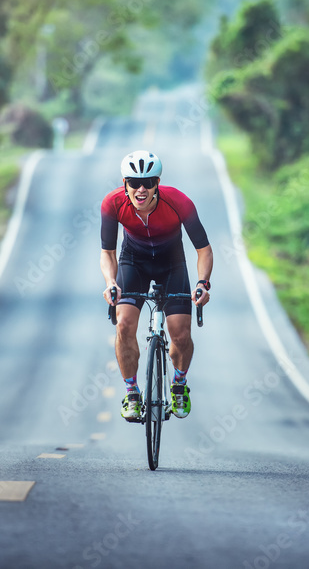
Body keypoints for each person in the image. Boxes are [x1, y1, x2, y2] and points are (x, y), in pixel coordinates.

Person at [100, 150, 212, 422]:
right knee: (124, 324)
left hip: (171, 263)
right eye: (134, 182)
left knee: (181, 334)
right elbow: (108, 253)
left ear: (157, 183)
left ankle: (178, 384)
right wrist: (111, 282)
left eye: (148, 182)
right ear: (124, 183)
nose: (141, 189)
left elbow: (204, 250)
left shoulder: (179, 202)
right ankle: (132, 393)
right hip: (133, 262)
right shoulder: (112, 204)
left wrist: (202, 284)